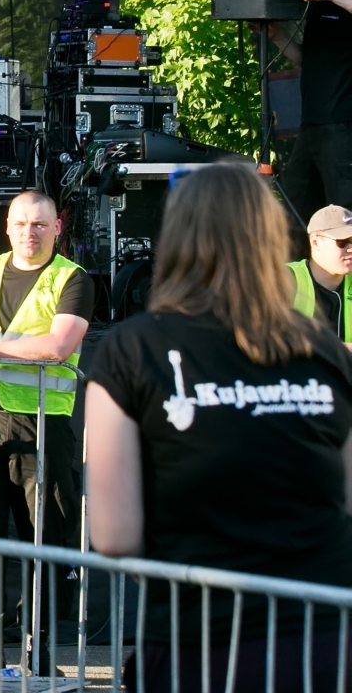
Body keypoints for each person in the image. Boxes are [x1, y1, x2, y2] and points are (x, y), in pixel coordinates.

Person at [86, 161, 352, 691]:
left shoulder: (132, 350)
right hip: (322, 638)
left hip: (196, 640)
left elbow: (114, 535)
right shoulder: (326, 351)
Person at [0, 191, 90, 670]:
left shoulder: (71, 278)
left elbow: (57, 347)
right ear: (7, 227)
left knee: (44, 537)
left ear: (57, 228)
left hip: (42, 422)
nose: (30, 233)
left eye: (40, 225)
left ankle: (38, 649)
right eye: (21, 224)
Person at [289, 204, 352, 346]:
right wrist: (339, 351)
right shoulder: (286, 279)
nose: (351, 249)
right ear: (315, 242)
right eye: (342, 242)